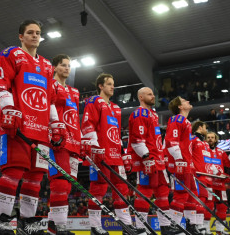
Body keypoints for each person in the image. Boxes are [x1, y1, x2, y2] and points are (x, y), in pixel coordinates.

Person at [0, 20, 65, 235]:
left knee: (35, 177)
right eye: (30, 33)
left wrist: (56, 124)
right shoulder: (11, 54)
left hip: (41, 131)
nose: (35, 36)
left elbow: (50, 100)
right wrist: (8, 108)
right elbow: (0, 83)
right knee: (12, 173)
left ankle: (26, 222)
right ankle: (2, 221)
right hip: (18, 126)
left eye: (38, 33)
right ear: (21, 36)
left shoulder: (46, 65)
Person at [81, 73, 132, 235]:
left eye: (113, 84)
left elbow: (116, 134)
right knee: (98, 190)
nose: (113, 87)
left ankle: (126, 225)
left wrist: (123, 154)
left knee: (122, 190)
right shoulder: (94, 101)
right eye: (109, 84)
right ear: (101, 86)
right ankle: (95, 226)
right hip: (100, 154)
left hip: (115, 155)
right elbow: (88, 125)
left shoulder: (116, 108)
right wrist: (94, 148)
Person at [127, 87, 173, 234]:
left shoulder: (153, 114)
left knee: (163, 191)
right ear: (141, 97)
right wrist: (146, 157)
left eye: (153, 93)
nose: (153, 96)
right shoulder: (140, 113)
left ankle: (165, 226)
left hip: (158, 159)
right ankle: (140, 228)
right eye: (149, 94)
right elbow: (136, 140)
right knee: (145, 190)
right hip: (147, 159)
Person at [46, 54, 81, 235]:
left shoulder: (74, 92)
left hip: (73, 141)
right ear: (54, 67)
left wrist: (81, 139)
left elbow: (75, 118)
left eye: (68, 65)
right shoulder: (49, 84)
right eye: (63, 65)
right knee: (59, 182)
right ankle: (59, 226)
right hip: (57, 139)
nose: (67, 68)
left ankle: (53, 224)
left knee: (67, 185)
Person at [164, 97, 198, 234]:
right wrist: (179, 161)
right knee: (181, 194)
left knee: (191, 195)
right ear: (180, 106)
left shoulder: (186, 121)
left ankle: (190, 225)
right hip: (180, 163)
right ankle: (174, 225)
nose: (188, 101)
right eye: (185, 101)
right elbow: (171, 142)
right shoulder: (176, 119)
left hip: (187, 164)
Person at [201, 131, 230, 235]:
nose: (210, 139)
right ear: (205, 139)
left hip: (220, 184)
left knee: (223, 207)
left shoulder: (221, 152)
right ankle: (205, 229)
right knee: (209, 206)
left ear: (216, 140)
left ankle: (220, 229)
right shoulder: (202, 150)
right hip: (209, 182)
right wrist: (217, 172)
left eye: (212, 137)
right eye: (208, 137)